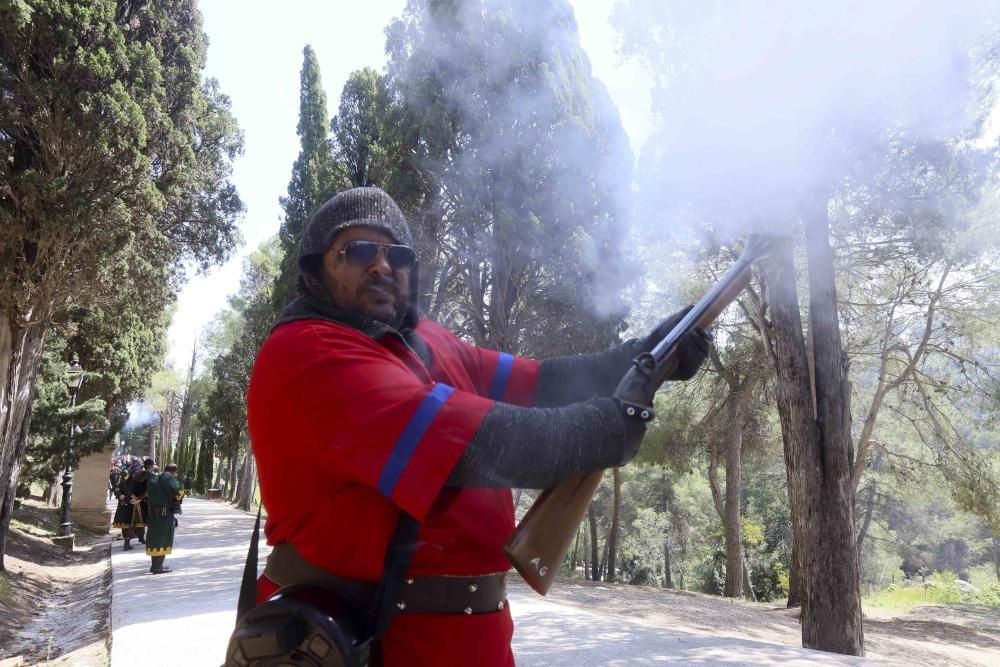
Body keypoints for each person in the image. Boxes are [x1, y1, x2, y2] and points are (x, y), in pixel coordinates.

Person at [246, 187, 710, 666]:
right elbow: (477, 445)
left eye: (397, 254)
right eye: (359, 250)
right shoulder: (308, 351)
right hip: (375, 644)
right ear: (316, 268)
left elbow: (545, 384)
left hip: (472, 642)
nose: (382, 266)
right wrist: (607, 430)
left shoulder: (426, 340)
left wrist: (649, 353)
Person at [145, 463, 184, 574]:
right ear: (174, 472)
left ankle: (155, 566)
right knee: (163, 539)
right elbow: (179, 492)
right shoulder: (169, 479)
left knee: (154, 539)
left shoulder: (154, 479)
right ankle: (158, 567)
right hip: (164, 515)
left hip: (153, 515)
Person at [129, 458, 155, 544]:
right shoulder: (152, 476)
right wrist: (139, 499)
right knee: (148, 521)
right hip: (145, 501)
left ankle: (134, 540)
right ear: (151, 466)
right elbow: (149, 491)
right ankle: (146, 538)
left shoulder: (137, 475)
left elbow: (131, 487)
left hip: (134, 501)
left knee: (135, 521)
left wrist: (134, 498)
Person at [111, 467, 137, 550]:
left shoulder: (134, 483)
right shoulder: (120, 484)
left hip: (132, 505)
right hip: (123, 506)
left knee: (130, 525)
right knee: (125, 525)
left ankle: (127, 543)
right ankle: (126, 544)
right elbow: (116, 491)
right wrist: (120, 495)